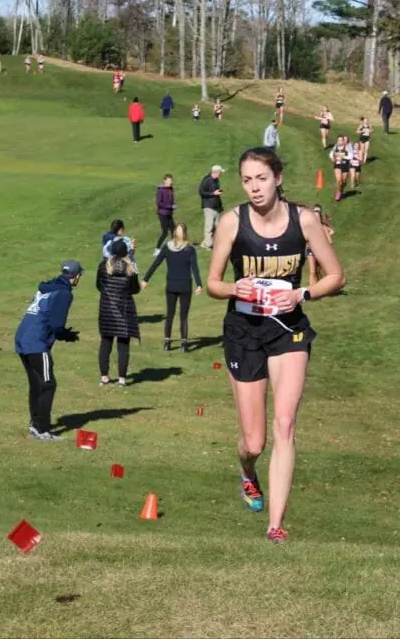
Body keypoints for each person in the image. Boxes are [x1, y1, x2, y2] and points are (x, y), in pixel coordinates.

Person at [205, 146, 345, 544]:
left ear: (278, 178)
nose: (254, 188)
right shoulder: (232, 222)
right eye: (247, 180)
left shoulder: (305, 220)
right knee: (255, 441)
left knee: (285, 425)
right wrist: (235, 287)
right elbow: (213, 283)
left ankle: (276, 526)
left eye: (261, 178)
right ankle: (248, 472)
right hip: (244, 332)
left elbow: (336, 275)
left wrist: (301, 294)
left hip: (289, 331)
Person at [14, 260, 84, 441]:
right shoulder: (64, 293)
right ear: (75, 277)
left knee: (36, 383)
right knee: (48, 384)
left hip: (22, 337)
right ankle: (43, 429)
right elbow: (57, 324)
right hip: (36, 342)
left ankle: (35, 425)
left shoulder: (48, 287)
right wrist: (66, 335)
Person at [141, 222, 203, 352]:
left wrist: (199, 284)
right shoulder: (167, 247)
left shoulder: (189, 249)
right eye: (177, 229)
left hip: (185, 286)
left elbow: (194, 268)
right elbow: (156, 263)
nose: (178, 232)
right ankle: (167, 342)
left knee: (183, 316)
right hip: (172, 286)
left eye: (180, 229)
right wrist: (145, 279)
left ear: (184, 233)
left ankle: (184, 344)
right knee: (170, 314)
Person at [96, 240, 141, 387]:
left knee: (105, 344)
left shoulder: (103, 267)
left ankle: (104, 376)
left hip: (107, 310)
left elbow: (98, 285)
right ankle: (122, 378)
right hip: (124, 310)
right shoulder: (130, 269)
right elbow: (135, 290)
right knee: (123, 346)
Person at [306, 205, 336, 286]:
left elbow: (330, 240)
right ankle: (313, 290)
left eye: (318, 211)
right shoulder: (309, 226)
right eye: (314, 211)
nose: (316, 213)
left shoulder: (323, 227)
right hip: (310, 250)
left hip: (322, 250)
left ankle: (327, 287)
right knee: (312, 271)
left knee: (324, 269)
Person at [199, 164, 224, 250]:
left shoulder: (216, 180)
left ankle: (206, 242)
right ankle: (208, 245)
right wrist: (213, 193)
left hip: (215, 206)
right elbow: (201, 192)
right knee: (209, 226)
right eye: (220, 172)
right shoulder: (207, 180)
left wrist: (220, 207)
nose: (221, 174)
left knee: (217, 226)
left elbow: (216, 194)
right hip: (208, 206)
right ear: (216, 172)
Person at [154, 174, 176, 256]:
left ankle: (174, 247)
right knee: (165, 232)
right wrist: (170, 206)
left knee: (174, 230)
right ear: (165, 180)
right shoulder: (161, 190)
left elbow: (171, 199)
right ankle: (157, 249)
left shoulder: (171, 189)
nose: (171, 182)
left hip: (169, 213)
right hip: (162, 214)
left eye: (171, 180)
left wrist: (173, 205)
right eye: (169, 180)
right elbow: (159, 203)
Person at [328, 135, 351, 202]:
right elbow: (331, 154)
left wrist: (342, 156)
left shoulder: (347, 147)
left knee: (343, 182)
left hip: (345, 165)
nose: (340, 141)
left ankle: (341, 191)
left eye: (341, 140)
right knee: (339, 180)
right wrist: (332, 158)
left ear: (343, 141)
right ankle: (338, 194)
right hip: (337, 165)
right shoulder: (335, 147)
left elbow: (350, 156)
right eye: (338, 140)